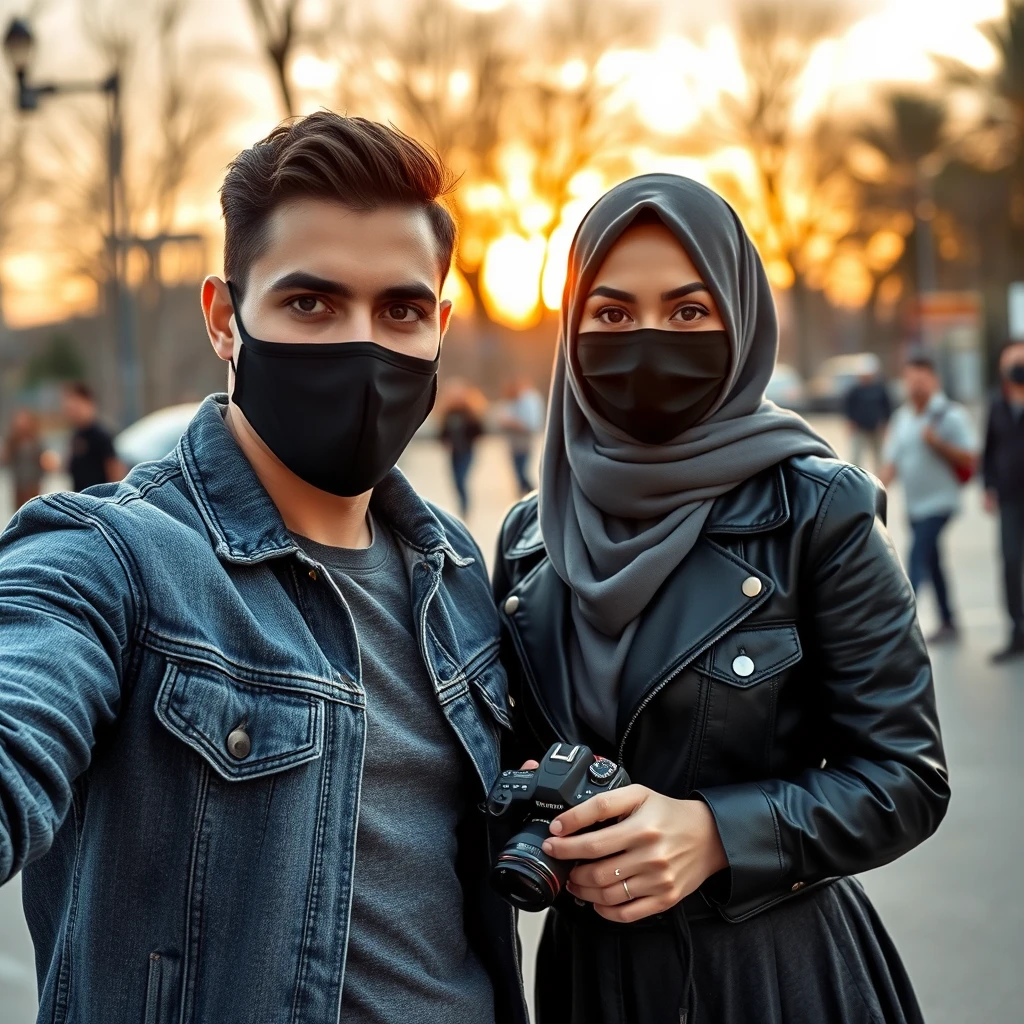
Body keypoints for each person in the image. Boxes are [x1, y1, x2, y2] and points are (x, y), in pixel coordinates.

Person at [0, 113, 526, 1024]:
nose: (362, 346)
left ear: (439, 326)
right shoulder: (114, 557)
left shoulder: (456, 566)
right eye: (310, 304)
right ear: (224, 319)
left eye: (400, 310)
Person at [493, 175, 948, 1024]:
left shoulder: (820, 510)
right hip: (588, 986)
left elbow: (906, 778)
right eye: (614, 314)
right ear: (571, 329)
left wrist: (714, 835)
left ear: (739, 322)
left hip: (772, 979)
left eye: (689, 311)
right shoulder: (529, 537)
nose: (649, 339)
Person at [880, 353, 978, 644]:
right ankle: (949, 620)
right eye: (910, 381)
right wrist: (869, 490)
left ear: (934, 381)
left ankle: (900, 626)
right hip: (914, 505)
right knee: (933, 561)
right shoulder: (902, 417)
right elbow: (891, 464)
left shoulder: (950, 414)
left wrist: (939, 444)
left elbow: (971, 457)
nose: (915, 387)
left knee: (917, 556)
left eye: (921, 381)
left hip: (941, 502)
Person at [982, 341, 1024, 662]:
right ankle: (1016, 630)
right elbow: (989, 448)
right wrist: (988, 487)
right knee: (1010, 562)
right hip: (1009, 498)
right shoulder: (996, 404)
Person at [62, 381, 125, 490]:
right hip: (80, 498)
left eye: (76, 408)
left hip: (99, 499)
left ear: (88, 403)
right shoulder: (76, 435)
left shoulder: (101, 435)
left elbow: (115, 469)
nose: (73, 413)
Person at [438, 378, 486, 517]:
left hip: (467, 451)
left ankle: (464, 508)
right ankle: (462, 504)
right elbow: (442, 432)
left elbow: (479, 430)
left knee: (461, 479)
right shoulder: (448, 413)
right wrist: (444, 441)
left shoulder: (470, 413)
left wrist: (472, 440)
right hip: (454, 452)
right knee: (455, 481)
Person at [499, 377, 546, 495]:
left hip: (524, 443)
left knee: (522, 471)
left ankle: (534, 494)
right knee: (517, 472)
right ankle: (525, 494)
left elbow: (531, 424)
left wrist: (512, 422)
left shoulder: (528, 402)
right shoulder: (511, 402)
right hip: (513, 444)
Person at [844, 357, 892, 471]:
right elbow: (848, 408)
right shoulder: (855, 390)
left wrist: (885, 425)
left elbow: (887, 407)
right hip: (860, 428)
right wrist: (849, 423)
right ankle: (854, 479)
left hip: (876, 428)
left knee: (879, 457)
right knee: (856, 457)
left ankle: (880, 480)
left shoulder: (879, 389)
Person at [3, 408, 45, 508]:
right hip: (19, 483)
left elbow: (42, 459)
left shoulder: (36, 441)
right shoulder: (13, 442)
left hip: (34, 483)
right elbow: (6, 460)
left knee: (34, 508)